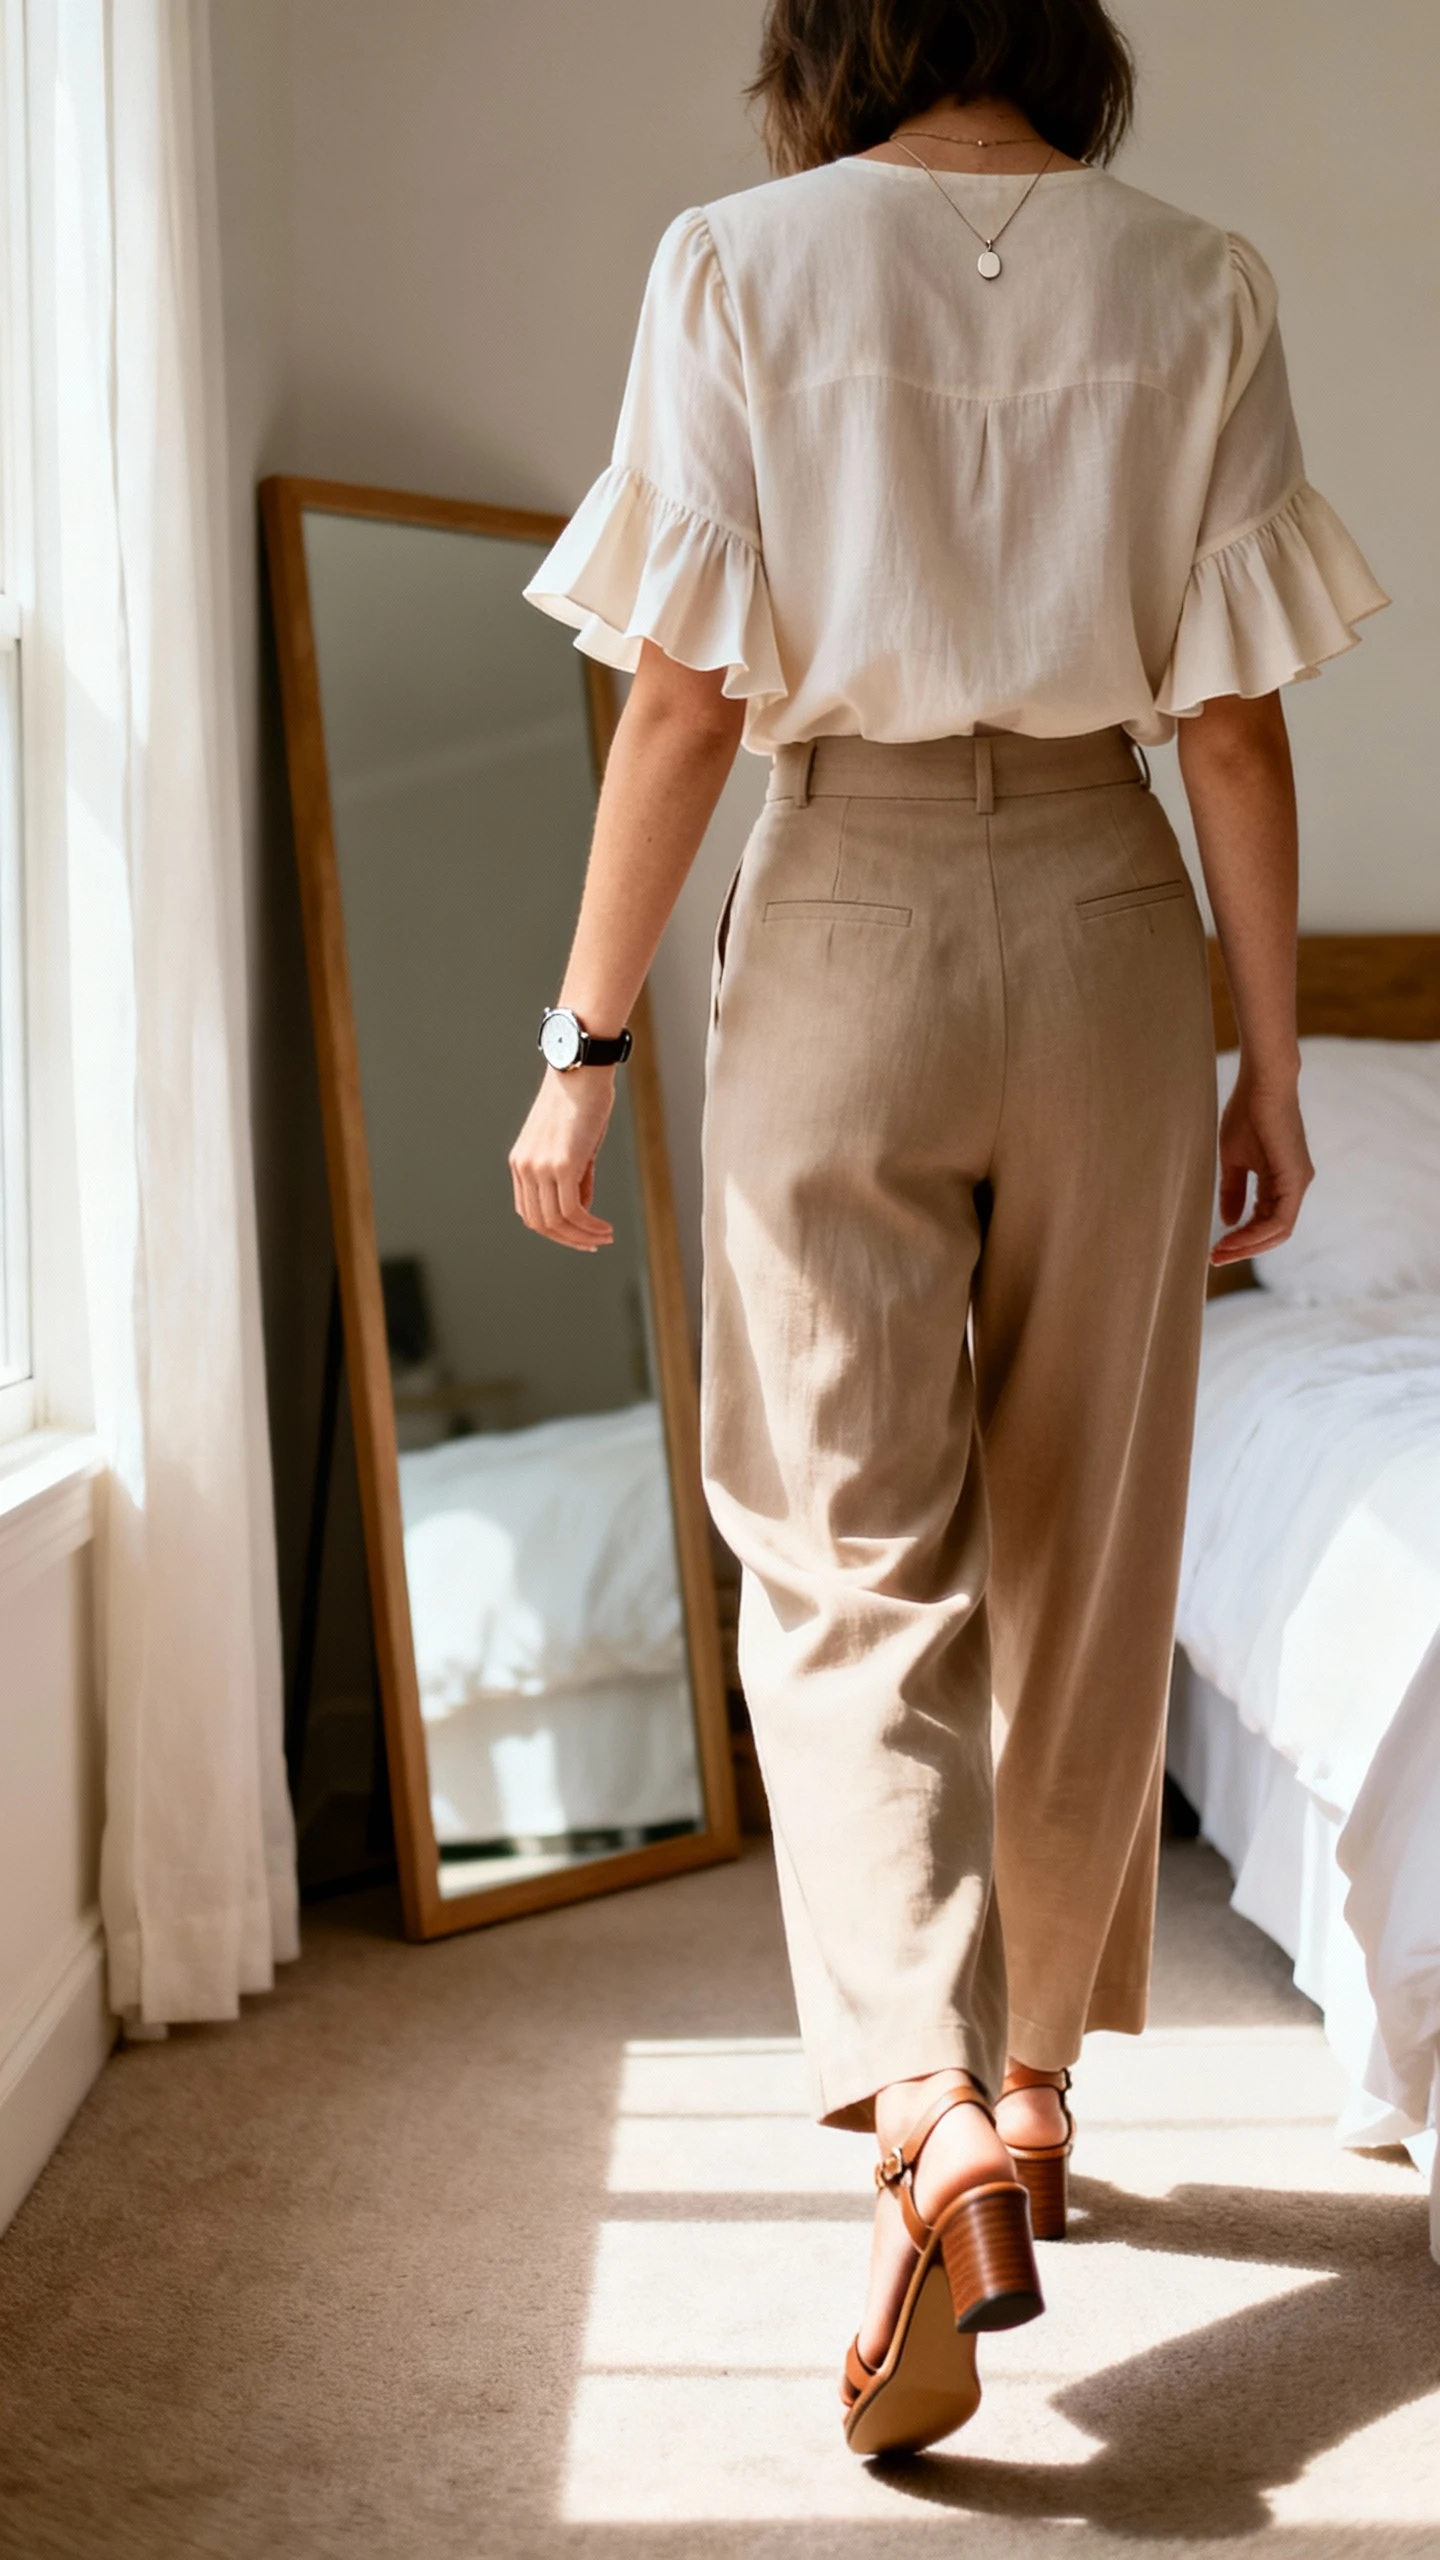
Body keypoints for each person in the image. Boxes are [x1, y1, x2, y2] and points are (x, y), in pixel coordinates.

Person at [512, 0, 1387, 2457]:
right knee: (1084, 1530)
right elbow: (1232, 721)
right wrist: (1272, 1060)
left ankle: (927, 2117)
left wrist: (580, 1047)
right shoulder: (1193, 278)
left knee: (842, 1533)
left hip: (846, 916)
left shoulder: (738, 263)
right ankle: (1031, 2089)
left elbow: (685, 701)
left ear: (840, 38)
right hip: (1113, 916)